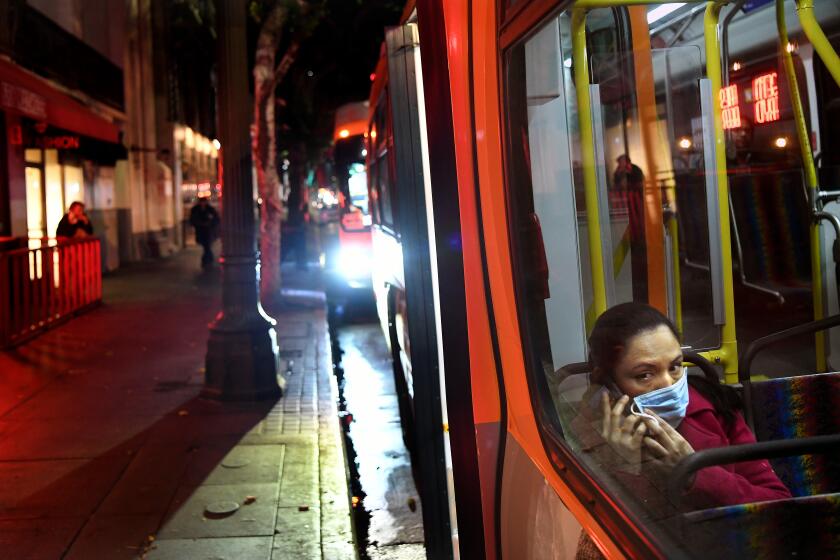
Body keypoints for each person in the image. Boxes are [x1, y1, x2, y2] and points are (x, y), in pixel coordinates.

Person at [582, 302, 790, 507]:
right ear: (610, 384)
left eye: (674, 367)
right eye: (644, 375)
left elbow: (778, 503)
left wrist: (695, 473)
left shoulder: (716, 406)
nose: (668, 383)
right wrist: (624, 466)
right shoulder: (585, 433)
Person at [612, 155, 647, 302]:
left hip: (635, 207)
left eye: (621, 162)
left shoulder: (636, 171)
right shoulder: (618, 173)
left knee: (638, 232)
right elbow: (616, 184)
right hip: (626, 207)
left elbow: (640, 184)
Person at [189, 195, 220, 268]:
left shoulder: (210, 209)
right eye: (201, 202)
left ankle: (206, 259)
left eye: (204, 202)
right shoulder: (195, 209)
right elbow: (192, 219)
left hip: (209, 230)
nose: (203, 203)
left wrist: (210, 224)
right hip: (200, 230)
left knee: (207, 244)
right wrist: (198, 224)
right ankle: (208, 258)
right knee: (205, 245)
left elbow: (216, 219)